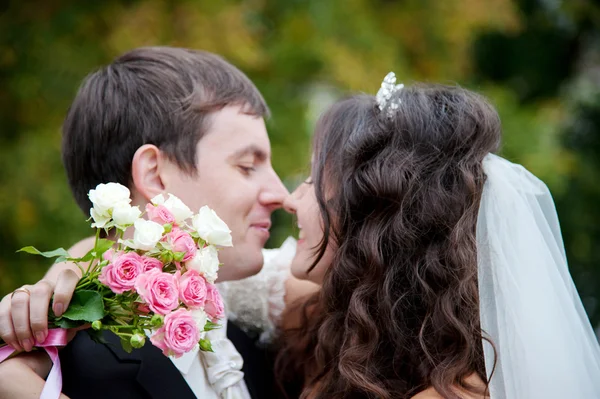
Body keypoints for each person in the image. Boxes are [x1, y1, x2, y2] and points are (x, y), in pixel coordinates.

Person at [0, 46, 297, 399]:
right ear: (154, 174)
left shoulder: (251, 344)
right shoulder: (66, 375)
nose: (281, 194)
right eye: (247, 165)